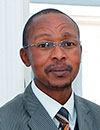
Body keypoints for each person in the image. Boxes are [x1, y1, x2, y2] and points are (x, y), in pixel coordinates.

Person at [0, 8, 100, 130]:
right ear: (25, 57)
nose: (59, 55)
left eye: (68, 44)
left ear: (80, 51)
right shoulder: (5, 122)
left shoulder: (97, 116)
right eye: (44, 45)